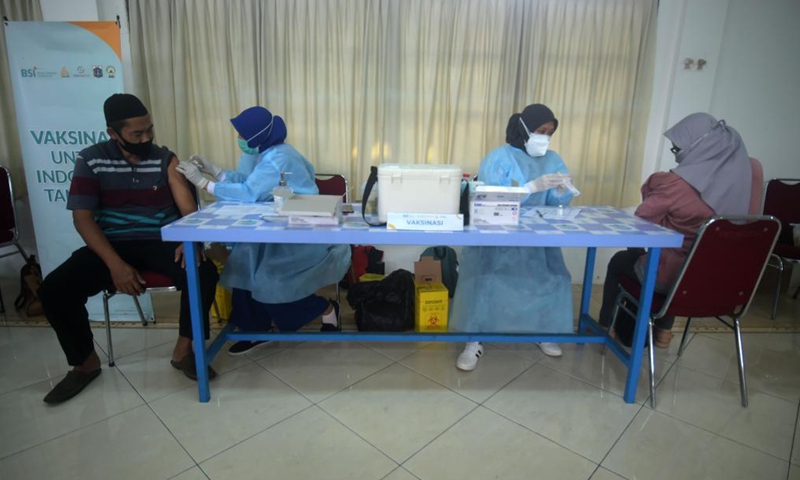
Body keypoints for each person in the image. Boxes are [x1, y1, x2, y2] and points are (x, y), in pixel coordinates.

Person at [38, 94, 220, 404]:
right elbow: (83, 219)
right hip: (112, 244)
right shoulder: (91, 160)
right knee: (54, 289)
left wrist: (190, 241)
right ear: (113, 132)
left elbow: (189, 211)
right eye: (137, 134)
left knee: (202, 272)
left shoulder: (165, 159)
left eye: (149, 130)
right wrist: (115, 265)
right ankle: (84, 363)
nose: (146, 138)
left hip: (160, 240)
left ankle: (183, 351)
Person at [177, 106, 350, 355]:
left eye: (242, 135)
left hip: (301, 231)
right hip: (273, 226)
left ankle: (325, 308)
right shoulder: (263, 151)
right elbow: (250, 182)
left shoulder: (280, 157)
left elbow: (249, 193)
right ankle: (254, 328)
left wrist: (205, 184)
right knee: (244, 266)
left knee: (270, 282)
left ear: (257, 136)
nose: (239, 140)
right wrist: (217, 172)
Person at [598, 113, 754, 348]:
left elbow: (640, 223)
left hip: (674, 277)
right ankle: (663, 332)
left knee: (622, 261)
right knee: (685, 257)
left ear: (698, 147)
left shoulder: (676, 185)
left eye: (677, 149)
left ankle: (603, 327)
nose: (678, 155)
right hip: (721, 282)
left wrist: (638, 252)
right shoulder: (742, 184)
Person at [451, 104, 576, 371]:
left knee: (553, 277)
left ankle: (545, 330)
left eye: (549, 132)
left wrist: (563, 190)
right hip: (498, 234)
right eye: (540, 131)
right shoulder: (499, 158)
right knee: (486, 280)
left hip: (537, 237)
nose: (545, 137)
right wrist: (531, 187)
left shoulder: (553, 160)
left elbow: (555, 202)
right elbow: (489, 198)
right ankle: (474, 340)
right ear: (524, 129)